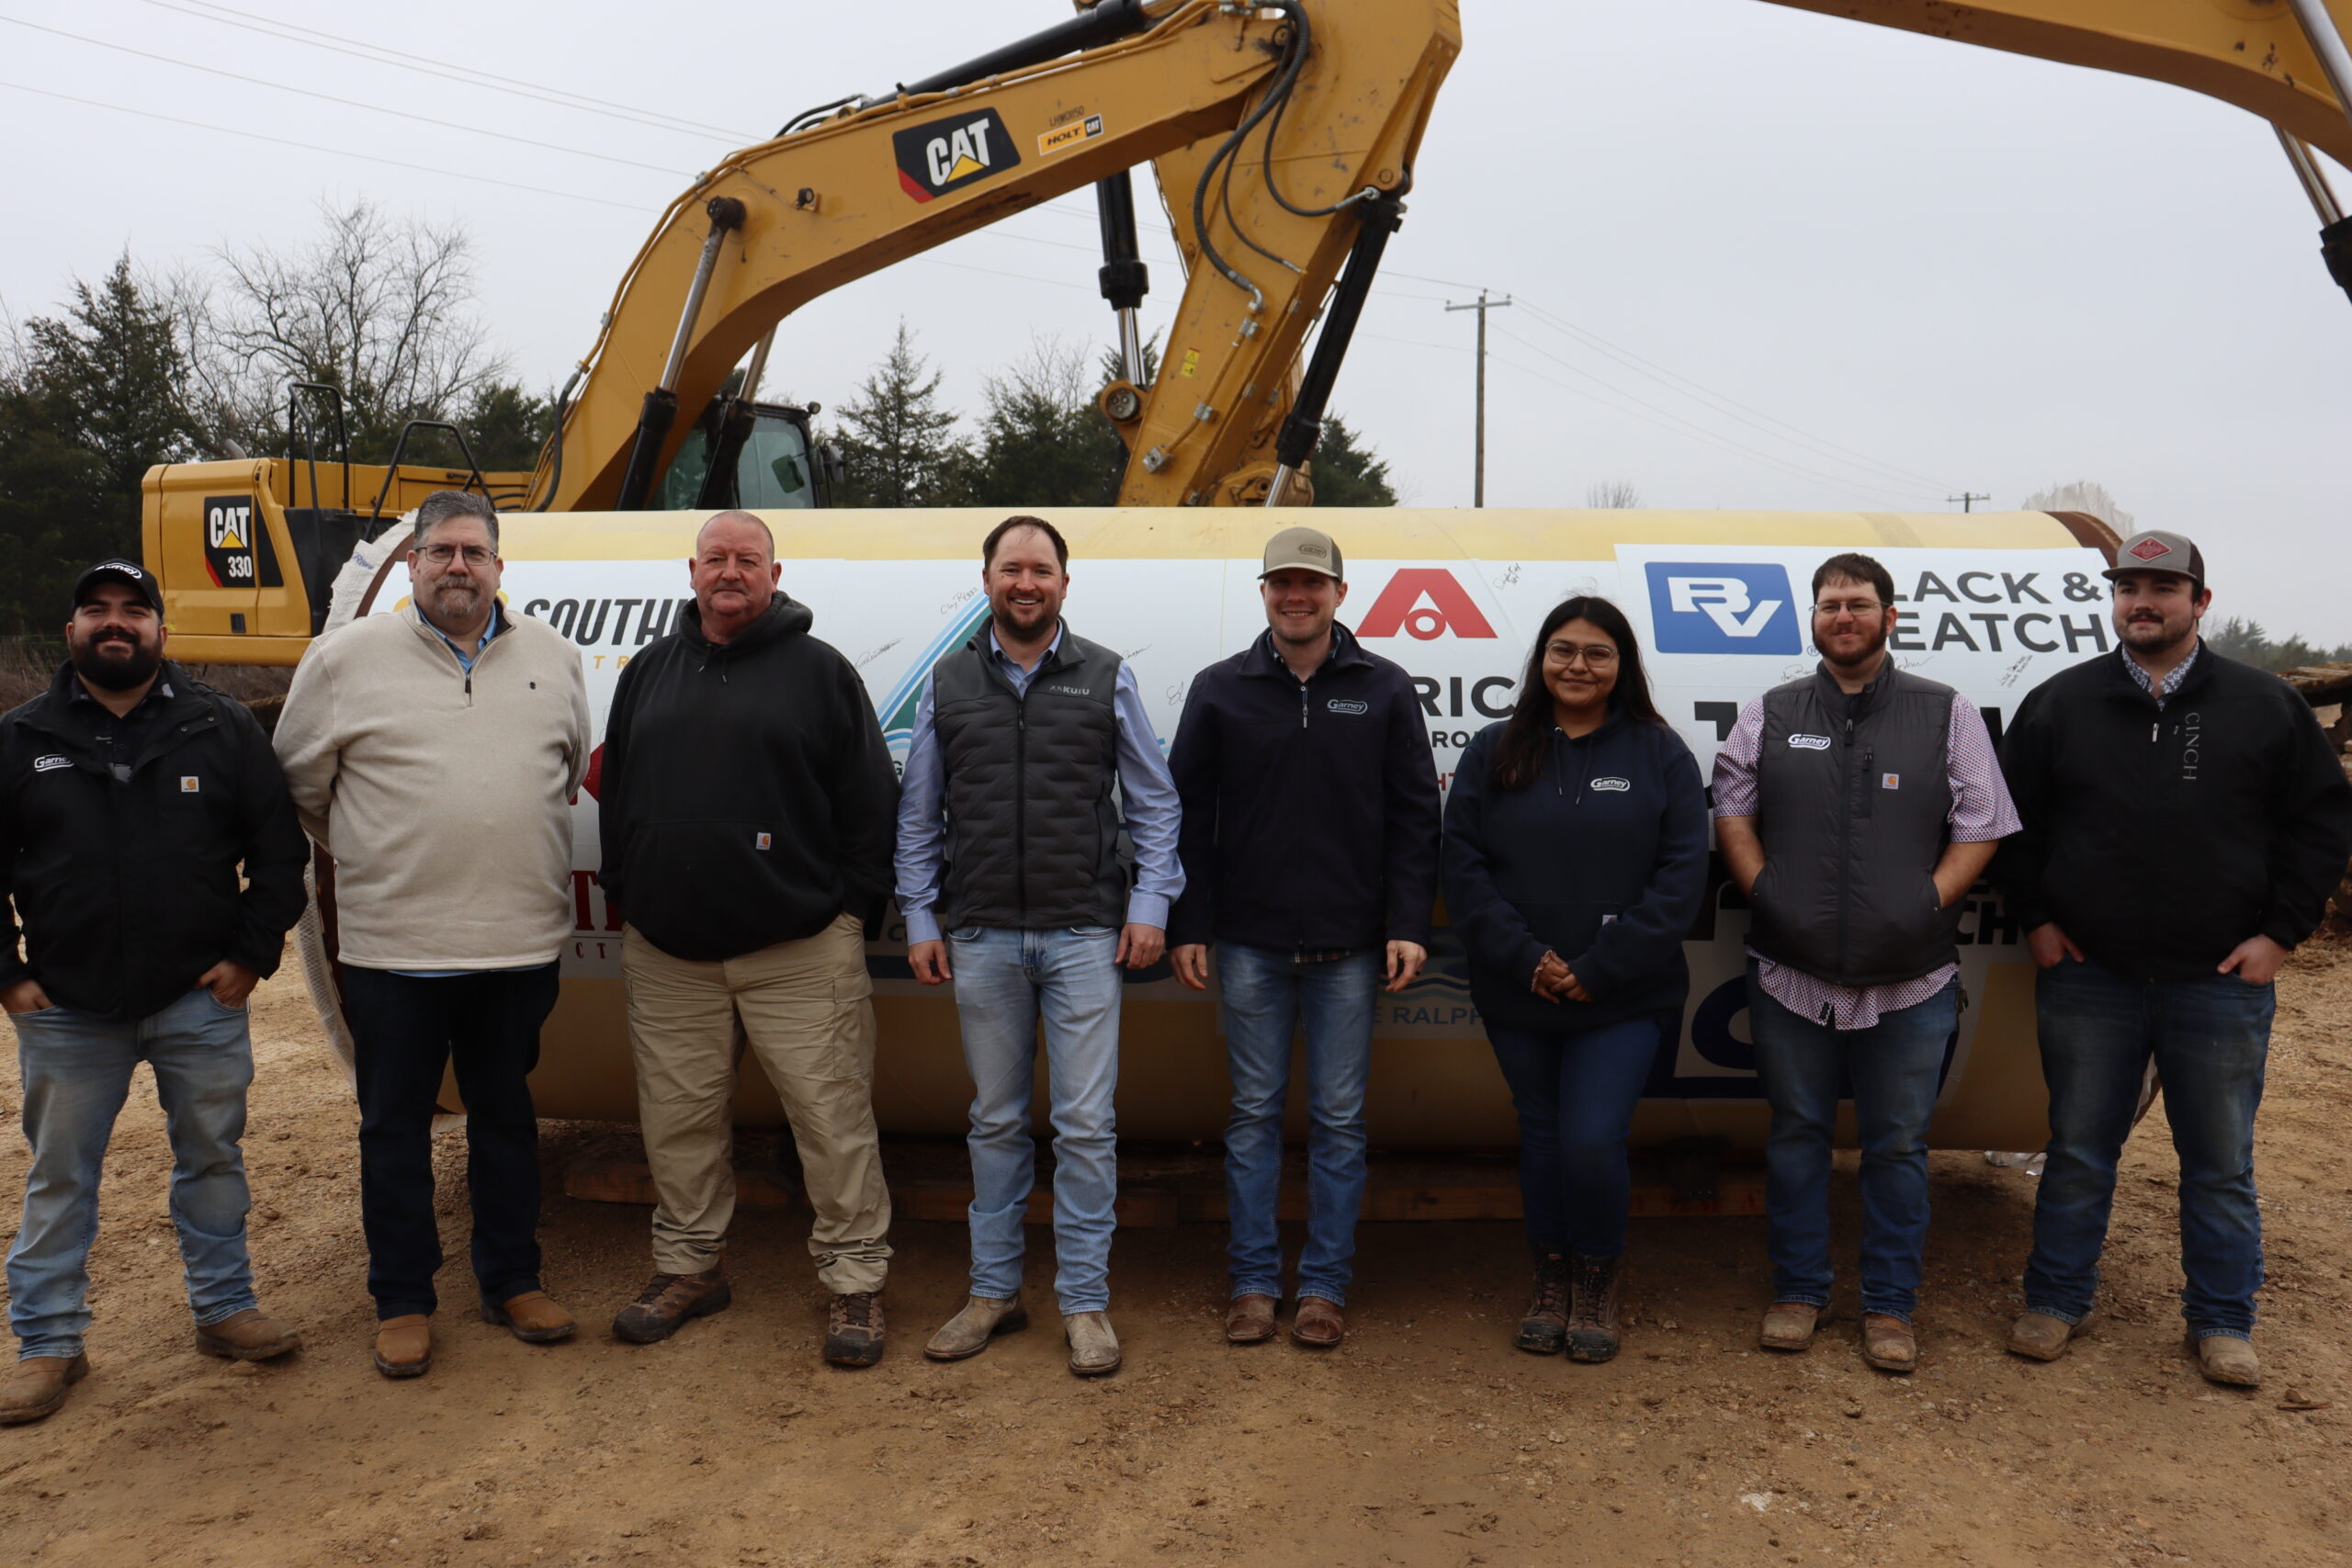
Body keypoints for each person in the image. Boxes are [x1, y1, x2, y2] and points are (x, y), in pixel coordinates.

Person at [1992, 530, 2352, 1388]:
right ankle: (2056, 1299)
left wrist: (2282, 934)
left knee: (2219, 1162)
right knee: (2079, 1148)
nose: (2141, 602)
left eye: (2162, 586)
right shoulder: (2062, 703)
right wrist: (2036, 918)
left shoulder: (2264, 705)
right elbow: (2010, 821)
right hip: (2091, 978)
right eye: (2128, 588)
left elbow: (2321, 824)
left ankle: (2223, 1320)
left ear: (2201, 600)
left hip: (2218, 982)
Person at [276, 491, 591, 1379]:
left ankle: (512, 1279)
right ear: (411, 564)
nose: (459, 566)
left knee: (505, 1116)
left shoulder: (555, 659)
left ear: (500, 566)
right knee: (395, 1126)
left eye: (474, 552)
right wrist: (381, 853)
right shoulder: (342, 660)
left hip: (516, 946)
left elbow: (566, 769)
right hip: (393, 950)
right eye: (441, 551)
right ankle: (403, 1298)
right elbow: (301, 785)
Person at [0, 560, 309, 1424]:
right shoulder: (21, 737)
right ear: (70, 631)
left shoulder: (221, 728)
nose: (115, 623)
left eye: (134, 611)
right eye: (96, 609)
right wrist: (12, 976)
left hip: (195, 999)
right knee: (60, 1176)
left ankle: (223, 1309)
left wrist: (252, 955)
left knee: (212, 1156)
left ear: (161, 632)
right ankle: (48, 1344)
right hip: (66, 1007)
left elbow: (280, 853)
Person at [597, 511, 900, 1367]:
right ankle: (690, 1269)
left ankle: (854, 1283)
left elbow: (870, 805)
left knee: (832, 1120)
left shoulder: (820, 673)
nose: (730, 572)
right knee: (678, 1124)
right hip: (669, 955)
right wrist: (631, 894)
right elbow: (617, 793)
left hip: (798, 951)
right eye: (715, 558)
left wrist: (847, 913)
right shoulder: (648, 671)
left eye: (747, 559)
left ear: (776, 572)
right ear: (691, 571)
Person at [1711, 551, 2018, 1375]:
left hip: (1911, 979)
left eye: (1858, 602)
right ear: (1813, 619)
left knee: (1895, 1147)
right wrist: (1761, 887)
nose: (1842, 616)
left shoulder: (1944, 711)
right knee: (1798, 1136)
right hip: (1790, 971)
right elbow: (1731, 803)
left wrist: (1930, 899)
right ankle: (1799, 1292)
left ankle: (1889, 1307)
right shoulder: (1770, 711)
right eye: (1829, 604)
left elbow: (1984, 818)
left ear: (1890, 615)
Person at [898, 514, 1183, 1378]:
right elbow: (918, 813)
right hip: (980, 935)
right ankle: (992, 1292)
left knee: (1087, 1124)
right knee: (995, 1120)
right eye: (1011, 569)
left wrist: (1150, 905)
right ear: (986, 580)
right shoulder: (947, 682)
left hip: (1084, 936)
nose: (1027, 583)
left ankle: (1085, 1303)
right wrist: (919, 914)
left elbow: (1155, 802)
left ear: (1066, 581)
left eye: (1042, 570)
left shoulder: (1106, 675)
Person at [1166, 526, 1441, 1351]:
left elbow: (1414, 816)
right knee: (1251, 1115)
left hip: (1351, 949)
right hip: (1247, 944)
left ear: (1338, 595)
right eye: (1282, 583)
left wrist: (1405, 924)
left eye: (1311, 583)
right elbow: (1184, 818)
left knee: (1340, 1119)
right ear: (1263, 593)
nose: (1297, 596)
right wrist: (1191, 921)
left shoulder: (1384, 688)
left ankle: (1323, 1286)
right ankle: (1253, 1283)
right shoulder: (1221, 690)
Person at [1442, 596, 1707, 1364]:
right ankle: (1550, 1279)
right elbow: (1462, 868)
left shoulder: (1660, 754)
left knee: (1593, 1140)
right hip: (1516, 989)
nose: (1578, 666)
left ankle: (1596, 1277)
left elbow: (1682, 875)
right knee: (1545, 1137)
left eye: (1597, 652)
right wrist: (1527, 958)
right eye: (1563, 650)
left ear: (1622, 666)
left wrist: (1600, 968)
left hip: (1622, 994)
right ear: (1541, 660)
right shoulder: (1496, 748)